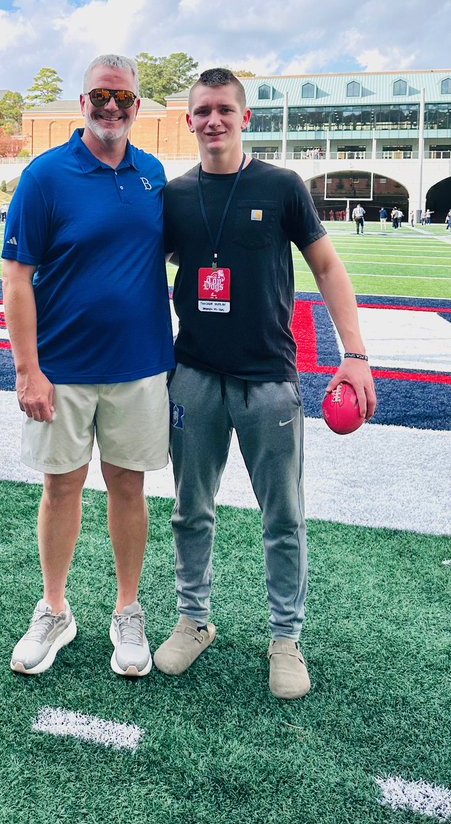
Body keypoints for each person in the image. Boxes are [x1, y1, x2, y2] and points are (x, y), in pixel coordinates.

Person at [155, 68, 376, 700]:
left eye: (225, 108)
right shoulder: (174, 196)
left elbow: (328, 266)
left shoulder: (281, 186)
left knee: (283, 516)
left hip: (269, 380)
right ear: (190, 120)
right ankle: (194, 620)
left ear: (244, 117)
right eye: (203, 110)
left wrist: (354, 353)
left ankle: (285, 637)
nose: (214, 119)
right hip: (193, 375)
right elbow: (141, 273)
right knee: (190, 509)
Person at [2, 54, 174, 678]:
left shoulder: (153, 172)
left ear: (137, 107)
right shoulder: (46, 176)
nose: (112, 107)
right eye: (101, 95)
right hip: (63, 367)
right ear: (82, 101)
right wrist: (28, 369)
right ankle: (54, 609)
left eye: (124, 98)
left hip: (139, 365)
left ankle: (127, 609)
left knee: (129, 486)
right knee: (61, 486)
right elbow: (16, 278)